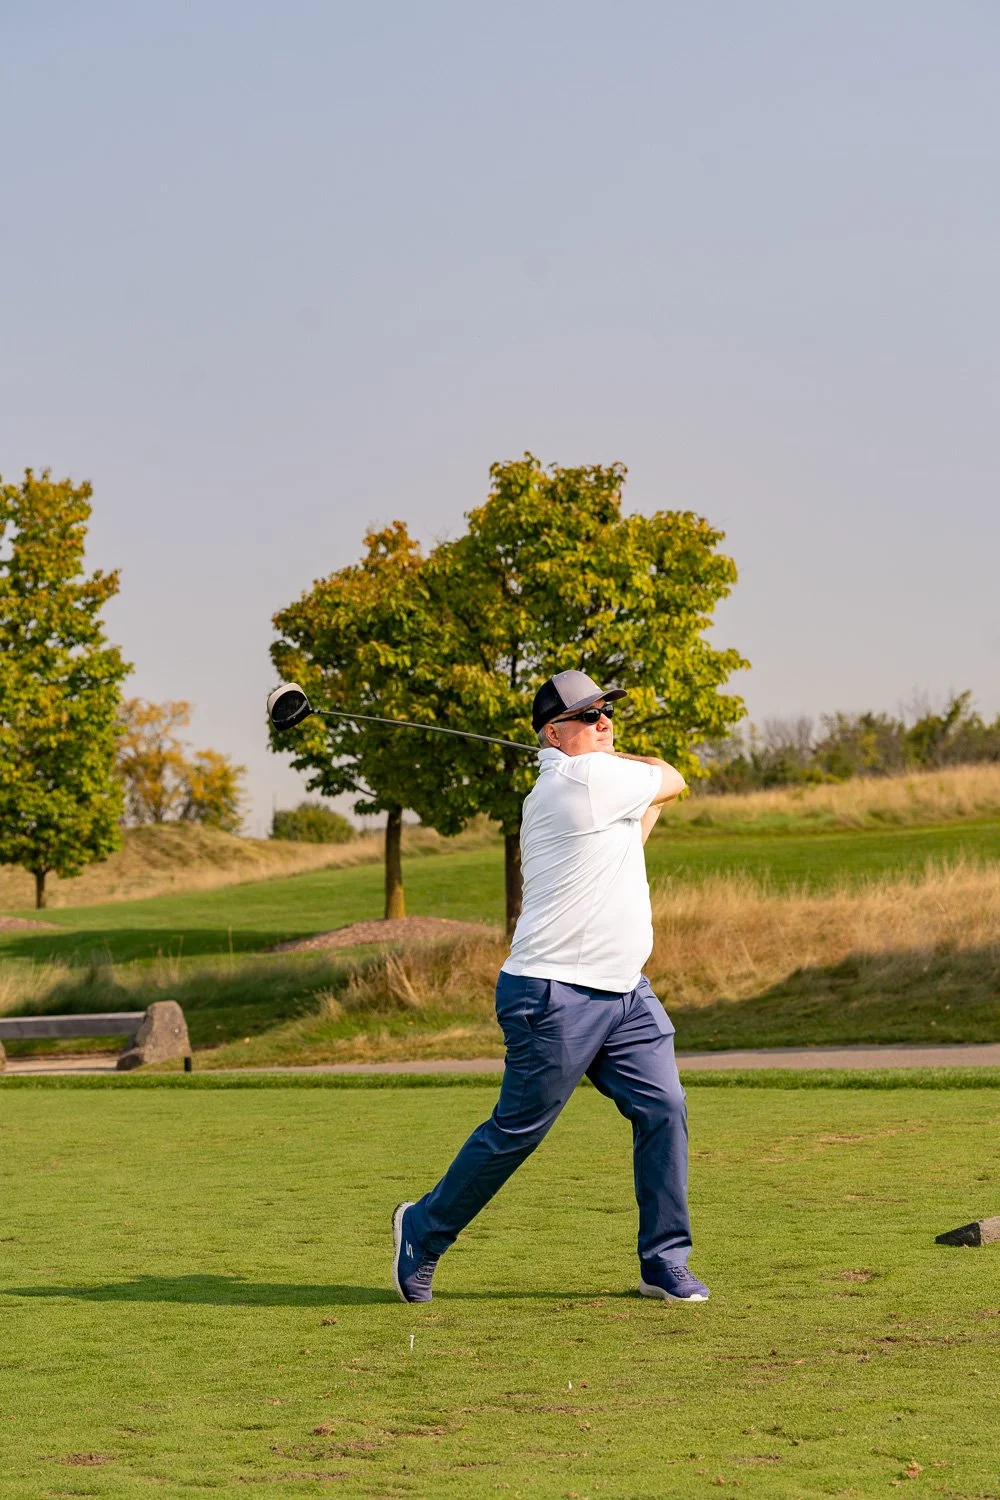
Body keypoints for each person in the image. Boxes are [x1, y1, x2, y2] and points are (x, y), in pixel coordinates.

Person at [391, 669, 709, 1303]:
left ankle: (663, 1262)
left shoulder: (583, 787)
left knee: (664, 1108)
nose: (604, 721)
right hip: (555, 994)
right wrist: (623, 759)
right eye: (589, 716)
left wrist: (611, 760)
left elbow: (638, 829)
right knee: (518, 1130)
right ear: (555, 734)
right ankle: (421, 1228)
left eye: (606, 712)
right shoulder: (583, 782)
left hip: (625, 993)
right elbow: (672, 777)